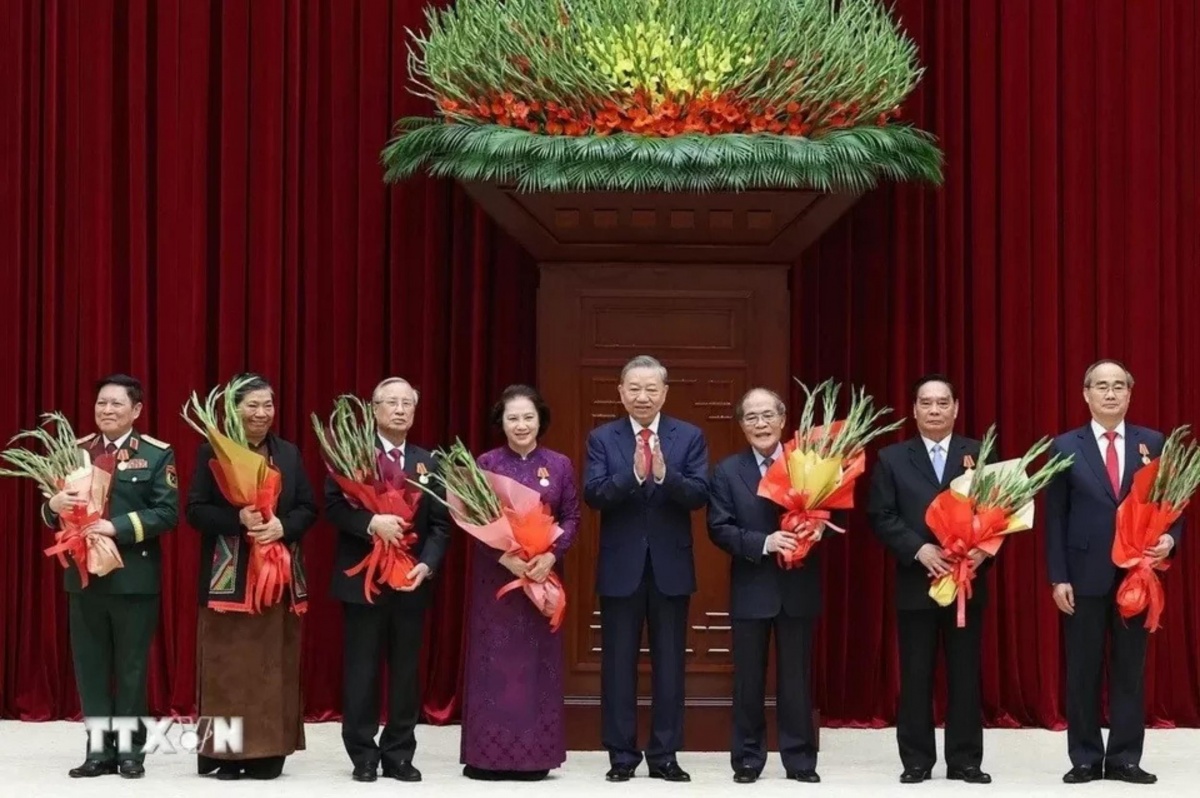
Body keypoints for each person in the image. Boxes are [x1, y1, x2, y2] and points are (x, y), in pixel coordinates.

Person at [1045, 359, 1183, 785]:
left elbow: (1173, 504)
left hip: (1136, 575)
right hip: (1083, 575)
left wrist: (1170, 539)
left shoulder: (1153, 443)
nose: (1110, 393)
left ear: (1130, 393)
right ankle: (1085, 757)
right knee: (1082, 669)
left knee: (1129, 670)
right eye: (1101, 386)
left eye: (1118, 385)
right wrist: (1058, 576)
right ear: (1086, 394)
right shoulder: (1065, 446)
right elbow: (1055, 517)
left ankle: (1124, 758)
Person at [41, 374, 178, 778]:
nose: (107, 410)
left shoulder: (155, 455)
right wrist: (54, 503)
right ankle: (99, 752)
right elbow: (52, 513)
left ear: (136, 410)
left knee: (132, 667)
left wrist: (115, 527)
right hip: (84, 578)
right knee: (91, 666)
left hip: (133, 578)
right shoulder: (76, 451)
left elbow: (168, 513)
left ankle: (131, 751)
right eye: (102, 403)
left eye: (117, 404)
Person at [583, 354, 709, 783]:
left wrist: (664, 475)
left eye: (651, 389)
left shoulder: (688, 436)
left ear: (665, 393)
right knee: (617, 664)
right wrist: (633, 476)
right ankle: (621, 755)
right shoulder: (602, 438)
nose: (642, 396)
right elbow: (594, 495)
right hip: (621, 569)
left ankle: (665, 755)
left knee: (670, 665)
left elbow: (698, 495)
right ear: (620, 392)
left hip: (671, 567)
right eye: (634, 388)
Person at [185, 373, 317, 780]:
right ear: (234, 410)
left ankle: (268, 754)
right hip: (230, 577)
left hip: (277, 579)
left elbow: (308, 509)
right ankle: (225, 756)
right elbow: (193, 511)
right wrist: (235, 518)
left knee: (272, 666)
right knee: (227, 666)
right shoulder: (213, 451)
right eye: (252, 406)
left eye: (267, 405)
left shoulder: (289, 454)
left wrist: (284, 527)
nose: (261, 414)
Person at [866, 374, 990, 785]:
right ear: (914, 409)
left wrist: (978, 549)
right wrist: (918, 550)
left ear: (955, 407)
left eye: (942, 403)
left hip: (966, 581)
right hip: (915, 582)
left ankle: (965, 760)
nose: (934, 410)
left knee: (965, 674)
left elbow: (999, 511)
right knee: (916, 675)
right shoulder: (892, 458)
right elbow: (881, 515)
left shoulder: (980, 453)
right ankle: (916, 760)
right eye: (926, 403)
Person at [325, 377, 450, 782]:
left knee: (405, 671)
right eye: (390, 403)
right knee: (361, 670)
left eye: (406, 404)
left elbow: (441, 526)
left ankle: (399, 751)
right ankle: (362, 753)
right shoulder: (351, 454)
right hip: (364, 581)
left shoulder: (429, 461)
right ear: (374, 410)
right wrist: (371, 522)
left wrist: (426, 565)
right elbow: (333, 508)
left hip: (410, 582)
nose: (399, 410)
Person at [460, 384, 581, 780]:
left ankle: (535, 756)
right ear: (502, 422)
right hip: (498, 581)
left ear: (540, 419)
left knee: (535, 666)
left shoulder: (560, 464)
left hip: (540, 578)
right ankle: (486, 757)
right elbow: (476, 522)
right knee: (494, 664)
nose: (521, 425)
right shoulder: (487, 462)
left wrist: (550, 556)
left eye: (528, 417)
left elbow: (572, 517)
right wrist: (505, 558)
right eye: (513, 417)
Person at [707, 387, 825, 784]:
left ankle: (800, 760)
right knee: (748, 681)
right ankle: (746, 759)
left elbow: (833, 512)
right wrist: (764, 543)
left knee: (796, 680)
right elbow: (718, 528)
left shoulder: (809, 465)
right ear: (742, 425)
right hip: (752, 587)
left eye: (767, 415)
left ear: (783, 419)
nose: (761, 424)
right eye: (751, 417)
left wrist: (819, 528)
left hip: (798, 588)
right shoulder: (727, 471)